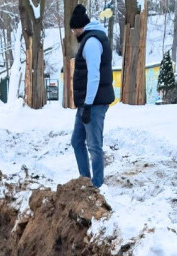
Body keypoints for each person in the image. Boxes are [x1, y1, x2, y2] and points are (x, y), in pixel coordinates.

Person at [69, 4, 115, 188]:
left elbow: (94, 76)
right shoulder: (90, 39)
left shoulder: (92, 43)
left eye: (74, 30)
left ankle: (96, 186)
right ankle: (85, 181)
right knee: (76, 141)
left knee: (94, 146)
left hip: (94, 103)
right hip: (86, 103)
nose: (73, 33)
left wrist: (88, 104)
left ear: (79, 28)